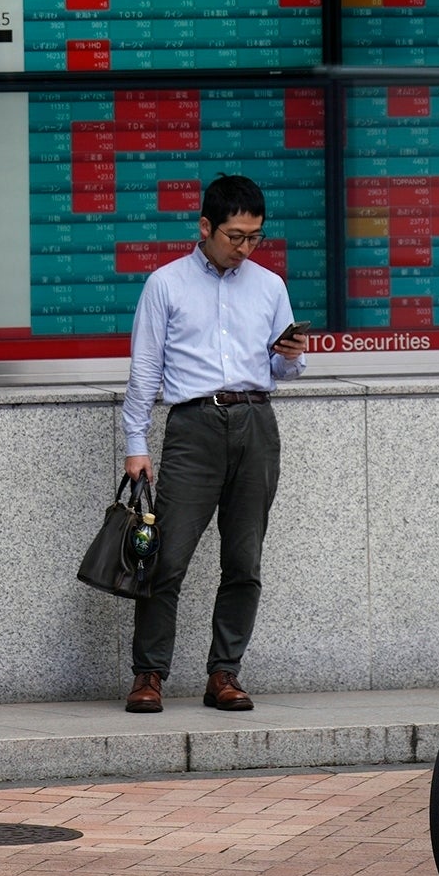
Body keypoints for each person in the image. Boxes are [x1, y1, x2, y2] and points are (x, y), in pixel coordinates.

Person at [118, 174, 305, 714]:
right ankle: (149, 674)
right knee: (165, 557)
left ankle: (225, 673)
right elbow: (146, 369)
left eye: (255, 237)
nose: (245, 248)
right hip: (193, 427)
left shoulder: (269, 286)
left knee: (244, 559)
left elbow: (282, 371)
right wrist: (136, 442)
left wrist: (290, 354)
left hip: (256, 423)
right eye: (235, 236)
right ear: (206, 227)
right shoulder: (166, 284)